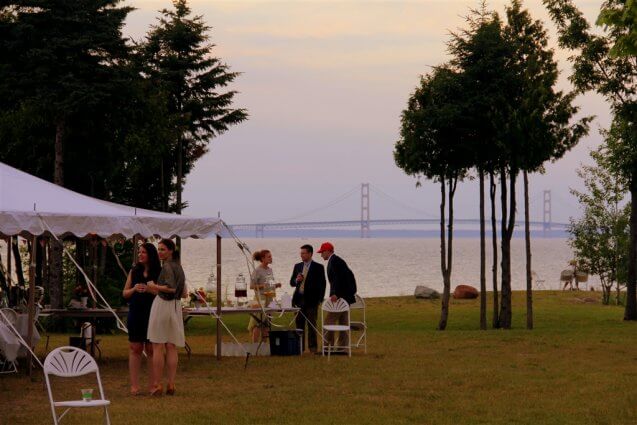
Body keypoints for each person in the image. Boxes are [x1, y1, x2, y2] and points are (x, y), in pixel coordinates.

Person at [146, 239, 188, 396]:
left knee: (158, 345)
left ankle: (157, 385)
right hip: (176, 307)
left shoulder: (167, 266)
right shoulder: (179, 267)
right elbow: (184, 293)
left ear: (171, 250)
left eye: (163, 249)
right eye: (159, 249)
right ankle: (171, 384)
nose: (160, 252)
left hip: (163, 304)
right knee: (171, 346)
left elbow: (170, 288)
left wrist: (153, 286)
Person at [122, 242, 161, 396]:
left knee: (151, 349)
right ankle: (134, 386)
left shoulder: (159, 271)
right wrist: (134, 289)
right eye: (139, 252)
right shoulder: (134, 271)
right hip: (136, 313)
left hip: (153, 313)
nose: (140, 255)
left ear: (150, 254)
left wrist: (151, 290)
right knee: (135, 348)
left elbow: (165, 294)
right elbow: (124, 293)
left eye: (143, 252)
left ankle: (153, 385)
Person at [318, 242, 357, 351]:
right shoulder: (337, 261)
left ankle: (327, 347)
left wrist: (336, 294)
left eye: (322, 252)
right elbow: (348, 277)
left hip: (341, 298)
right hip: (346, 297)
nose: (321, 255)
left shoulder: (334, 261)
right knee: (343, 323)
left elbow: (338, 280)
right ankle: (343, 347)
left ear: (327, 251)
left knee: (328, 322)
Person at [289, 244, 326, 353]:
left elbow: (322, 285)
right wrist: (297, 280)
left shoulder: (318, 267)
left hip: (312, 301)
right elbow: (291, 282)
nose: (302, 255)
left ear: (310, 253)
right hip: (298, 300)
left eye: (304, 253)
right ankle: (300, 348)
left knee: (311, 325)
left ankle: (313, 348)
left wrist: (320, 300)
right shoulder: (297, 266)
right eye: (301, 253)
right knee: (299, 325)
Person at [249, 250, 281, 342]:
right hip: (260, 299)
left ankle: (265, 345)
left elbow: (270, 284)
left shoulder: (270, 270)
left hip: (270, 298)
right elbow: (251, 286)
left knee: (267, 323)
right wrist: (263, 286)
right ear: (262, 258)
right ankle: (254, 345)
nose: (271, 258)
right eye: (269, 257)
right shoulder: (257, 270)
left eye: (271, 256)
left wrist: (276, 285)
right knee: (257, 322)